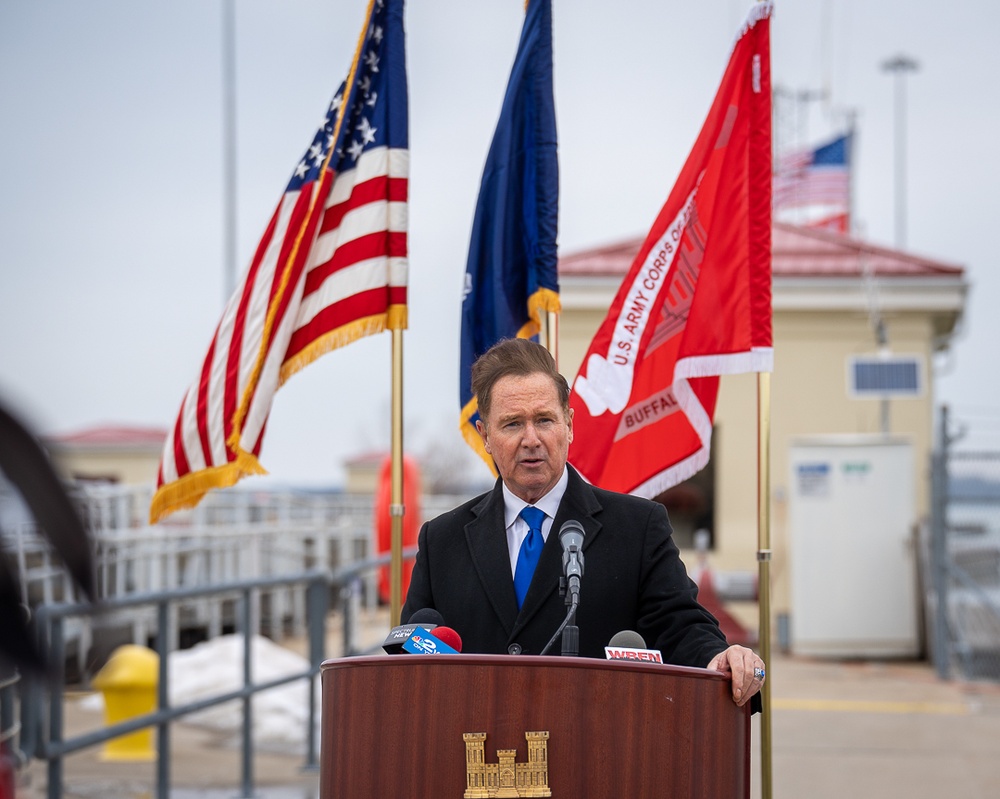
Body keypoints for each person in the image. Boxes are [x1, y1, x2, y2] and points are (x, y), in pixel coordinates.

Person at [402, 338, 764, 709]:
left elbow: (682, 628)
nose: (531, 440)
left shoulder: (638, 528)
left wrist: (719, 658)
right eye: (512, 424)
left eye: (544, 420)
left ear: (569, 425)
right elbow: (408, 655)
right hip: (481, 755)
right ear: (485, 437)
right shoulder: (442, 540)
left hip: (596, 751)